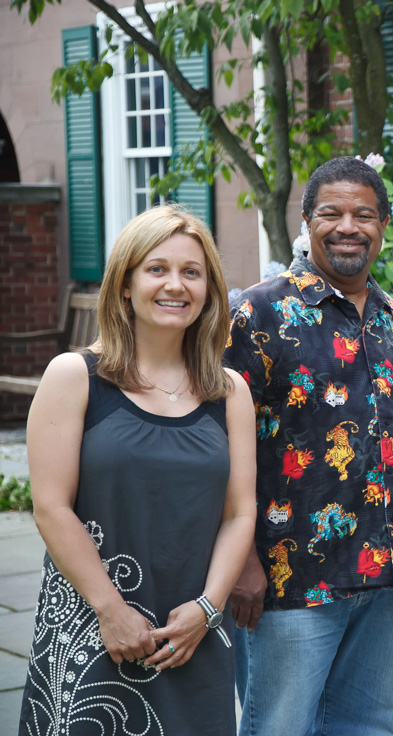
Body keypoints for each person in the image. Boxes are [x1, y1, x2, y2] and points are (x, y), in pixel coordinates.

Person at [18, 205, 257, 735]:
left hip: (193, 637)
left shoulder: (230, 391)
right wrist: (111, 611)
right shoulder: (76, 376)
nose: (176, 285)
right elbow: (51, 508)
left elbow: (241, 513)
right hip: (92, 634)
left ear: (209, 289)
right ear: (125, 284)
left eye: (191, 272)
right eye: (157, 269)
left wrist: (208, 608)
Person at [224, 157, 393, 736]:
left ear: (384, 224)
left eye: (364, 214)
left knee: (370, 726)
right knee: (281, 727)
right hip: (289, 580)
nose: (348, 227)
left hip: (386, 578)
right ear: (307, 220)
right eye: (331, 212)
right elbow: (216, 445)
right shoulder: (260, 311)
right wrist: (243, 563)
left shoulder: (392, 319)